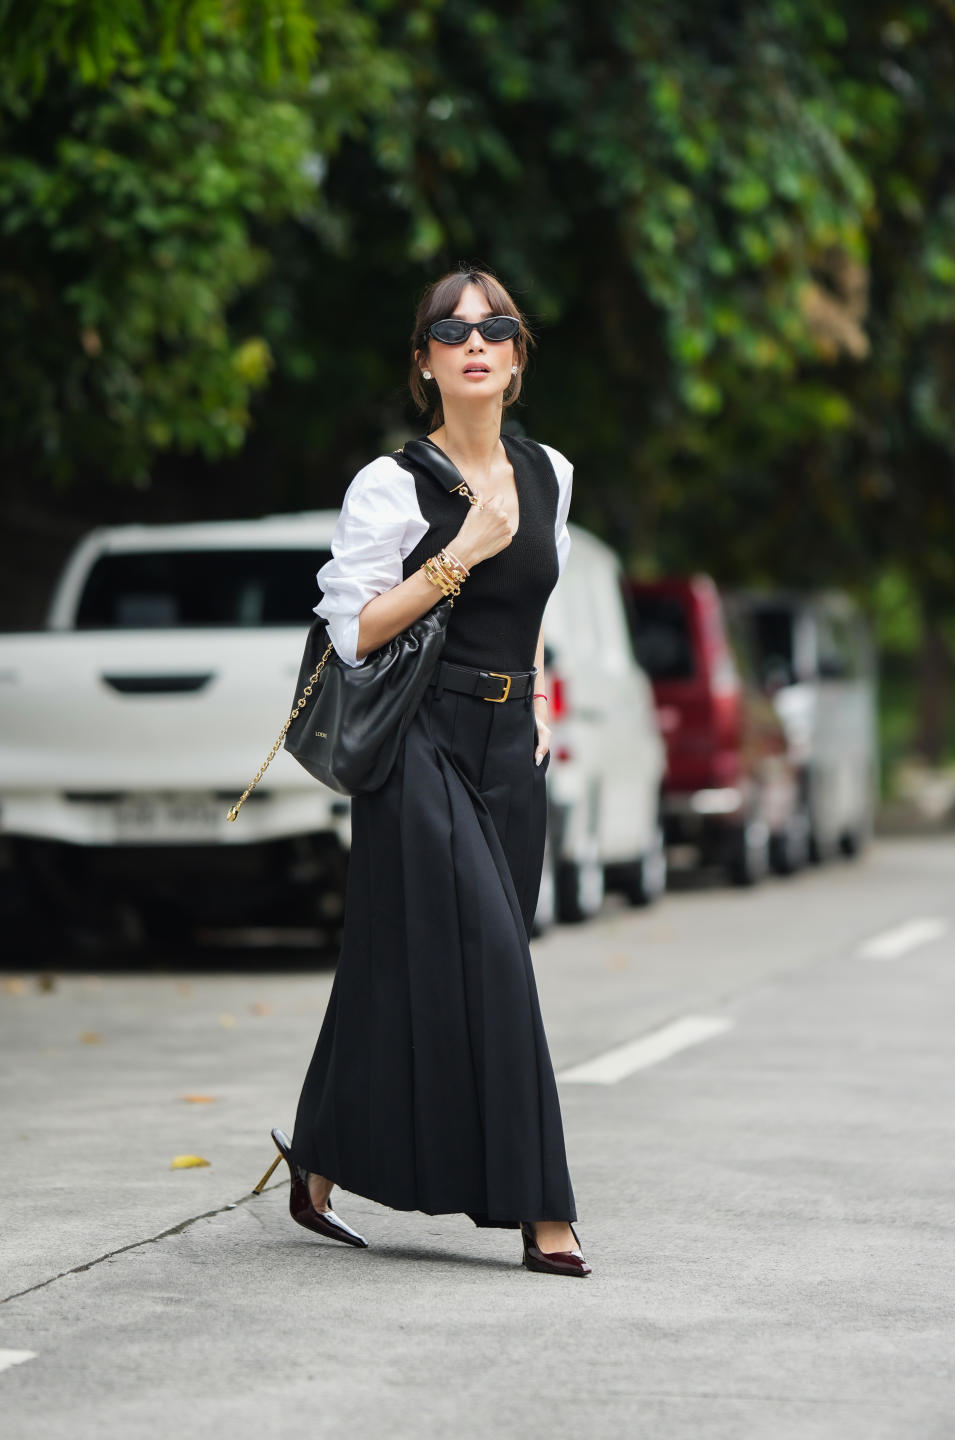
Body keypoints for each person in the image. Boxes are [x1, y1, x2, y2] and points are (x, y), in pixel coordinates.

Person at [254, 268, 589, 1277]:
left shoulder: (552, 474)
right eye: (453, 328)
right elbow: (353, 634)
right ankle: (545, 1212)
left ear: (519, 357)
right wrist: (459, 556)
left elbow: (537, 600)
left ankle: (315, 1166)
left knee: (401, 968)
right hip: (419, 746)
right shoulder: (391, 486)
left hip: (506, 755)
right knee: (492, 963)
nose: (475, 341)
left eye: (497, 328)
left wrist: (532, 692)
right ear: (426, 362)